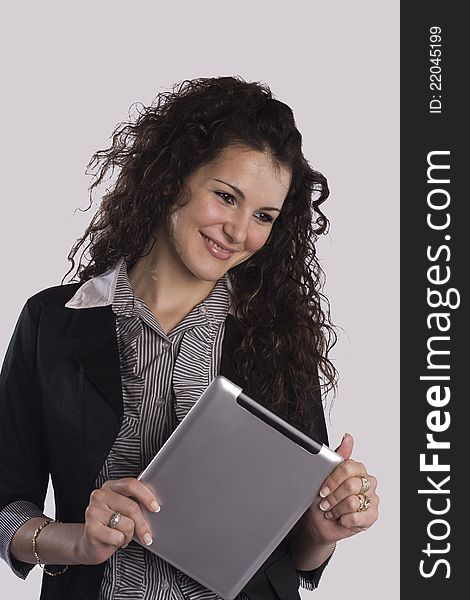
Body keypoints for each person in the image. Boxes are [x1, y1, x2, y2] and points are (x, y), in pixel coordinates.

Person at [0, 76, 379, 600]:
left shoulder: (277, 338)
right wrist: (77, 543)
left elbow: (294, 545)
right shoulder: (52, 320)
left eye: (264, 216)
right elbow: (6, 505)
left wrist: (324, 529)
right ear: (173, 177)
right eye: (226, 196)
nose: (240, 231)